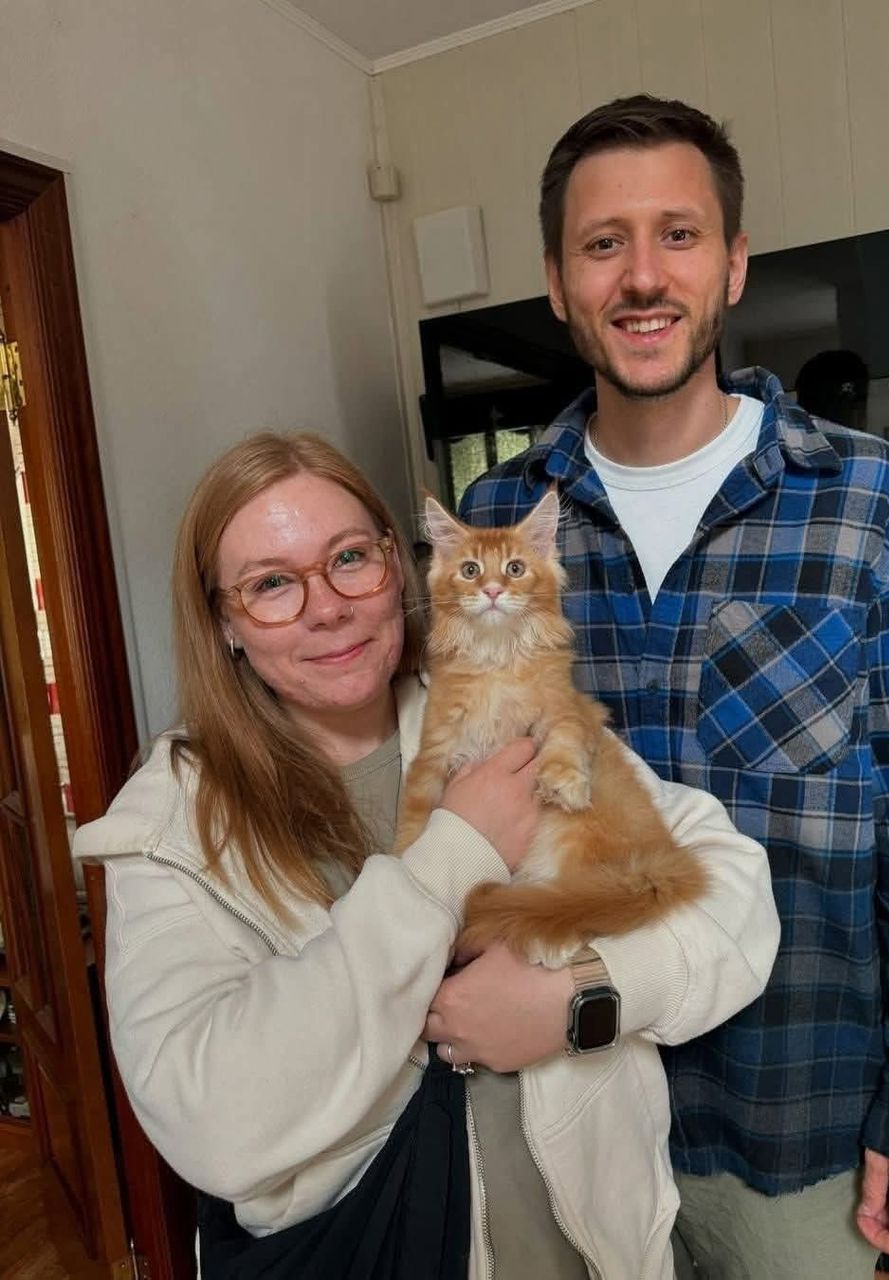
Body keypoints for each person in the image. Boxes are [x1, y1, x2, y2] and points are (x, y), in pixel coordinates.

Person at [459, 95, 889, 1280]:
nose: (642, 275)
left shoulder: (869, 506)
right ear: (557, 279)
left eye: (679, 234)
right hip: (565, 1112)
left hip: (793, 1126)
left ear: (735, 262)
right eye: (604, 243)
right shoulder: (499, 525)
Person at [74, 431, 779, 1278]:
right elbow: (211, 1121)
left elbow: (730, 886)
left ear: (395, 569)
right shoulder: (172, 824)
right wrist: (456, 852)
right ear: (224, 622)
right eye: (270, 585)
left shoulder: (499, 699)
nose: (327, 606)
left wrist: (580, 998)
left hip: (602, 1252)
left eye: (349, 559)